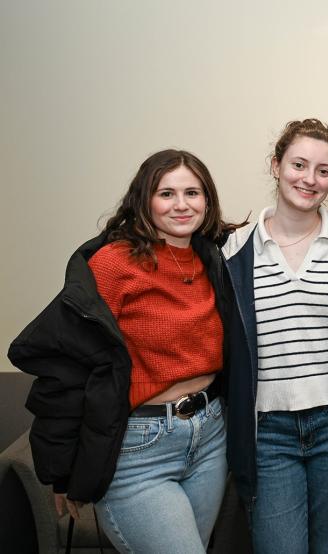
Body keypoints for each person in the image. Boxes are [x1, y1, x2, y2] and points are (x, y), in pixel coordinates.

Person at [8, 149, 236, 553]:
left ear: (208, 200)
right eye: (166, 193)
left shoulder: (212, 258)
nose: (181, 205)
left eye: (192, 193)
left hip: (209, 439)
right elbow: (67, 366)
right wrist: (64, 471)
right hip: (139, 449)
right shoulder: (114, 264)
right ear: (144, 199)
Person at [222, 118, 328, 554]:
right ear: (276, 166)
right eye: (298, 164)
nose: (309, 179)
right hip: (268, 435)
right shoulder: (234, 251)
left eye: (323, 170)